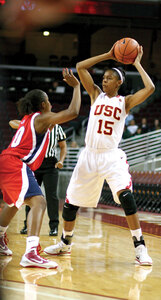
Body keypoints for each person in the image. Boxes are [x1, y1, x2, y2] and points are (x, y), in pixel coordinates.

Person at [44, 43, 155, 266]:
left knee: (126, 197)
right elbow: (80, 67)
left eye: (109, 77)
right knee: (70, 204)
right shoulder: (95, 94)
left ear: (119, 82)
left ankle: (140, 247)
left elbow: (150, 88)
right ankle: (65, 244)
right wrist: (109, 55)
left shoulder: (125, 102)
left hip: (111, 156)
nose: (104, 80)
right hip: (89, 156)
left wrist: (137, 63)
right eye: (103, 77)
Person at [0, 68, 81, 268]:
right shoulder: (40, 118)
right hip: (16, 163)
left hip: (7, 161)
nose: (52, 105)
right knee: (39, 202)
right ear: (43, 105)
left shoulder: (28, 120)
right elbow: (73, 112)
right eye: (49, 102)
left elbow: (17, 124)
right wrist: (77, 87)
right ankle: (31, 252)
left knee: (15, 203)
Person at [15, 124, 67, 236]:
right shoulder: (34, 124)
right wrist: (23, 124)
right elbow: (12, 123)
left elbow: (63, 146)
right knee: (31, 195)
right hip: (34, 163)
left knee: (51, 196)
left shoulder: (58, 128)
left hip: (51, 164)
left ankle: (54, 227)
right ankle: (27, 225)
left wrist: (61, 161)